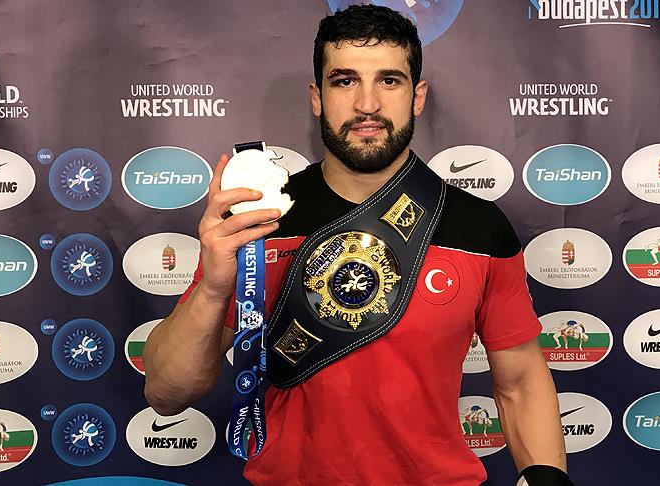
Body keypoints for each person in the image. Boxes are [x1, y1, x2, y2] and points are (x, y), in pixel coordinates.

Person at [143, 5, 569, 485]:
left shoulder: (478, 228)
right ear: (317, 98)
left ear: (417, 97)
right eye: (345, 81)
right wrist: (213, 289)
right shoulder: (257, 222)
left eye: (389, 81)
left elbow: (521, 382)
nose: (367, 104)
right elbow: (165, 394)